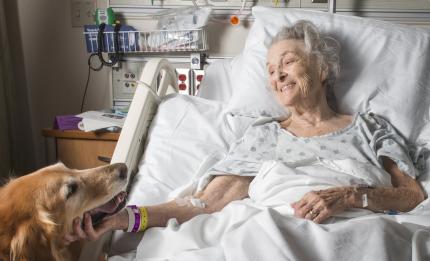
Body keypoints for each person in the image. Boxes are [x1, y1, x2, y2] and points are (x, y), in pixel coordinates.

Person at [64, 20, 426, 244]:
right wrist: (119, 219)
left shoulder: (370, 128)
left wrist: (349, 196)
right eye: (270, 70)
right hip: (278, 231)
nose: (277, 75)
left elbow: (411, 195)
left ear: (322, 69)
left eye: (288, 62)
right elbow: (205, 204)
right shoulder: (264, 135)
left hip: (357, 231)